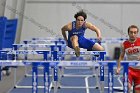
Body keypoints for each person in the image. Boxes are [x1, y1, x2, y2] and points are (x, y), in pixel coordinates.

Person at [116, 25, 140, 93]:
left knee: (137, 91)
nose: (133, 34)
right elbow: (121, 56)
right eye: (131, 32)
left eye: (135, 32)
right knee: (127, 87)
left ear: (137, 33)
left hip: (139, 71)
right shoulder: (124, 44)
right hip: (129, 69)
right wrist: (118, 67)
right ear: (128, 33)